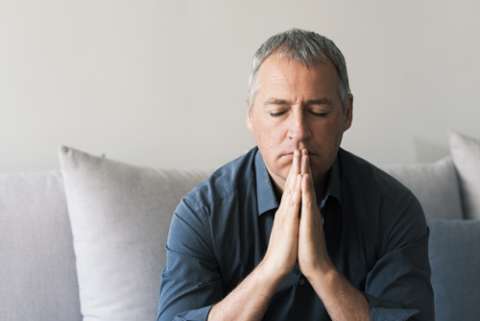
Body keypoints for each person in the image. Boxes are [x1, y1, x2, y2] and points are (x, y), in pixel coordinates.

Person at [156, 28, 434, 321]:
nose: (299, 132)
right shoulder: (203, 213)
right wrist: (271, 269)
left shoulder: (392, 208)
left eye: (319, 111)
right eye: (278, 112)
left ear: (347, 113)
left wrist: (320, 270)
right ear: (251, 115)